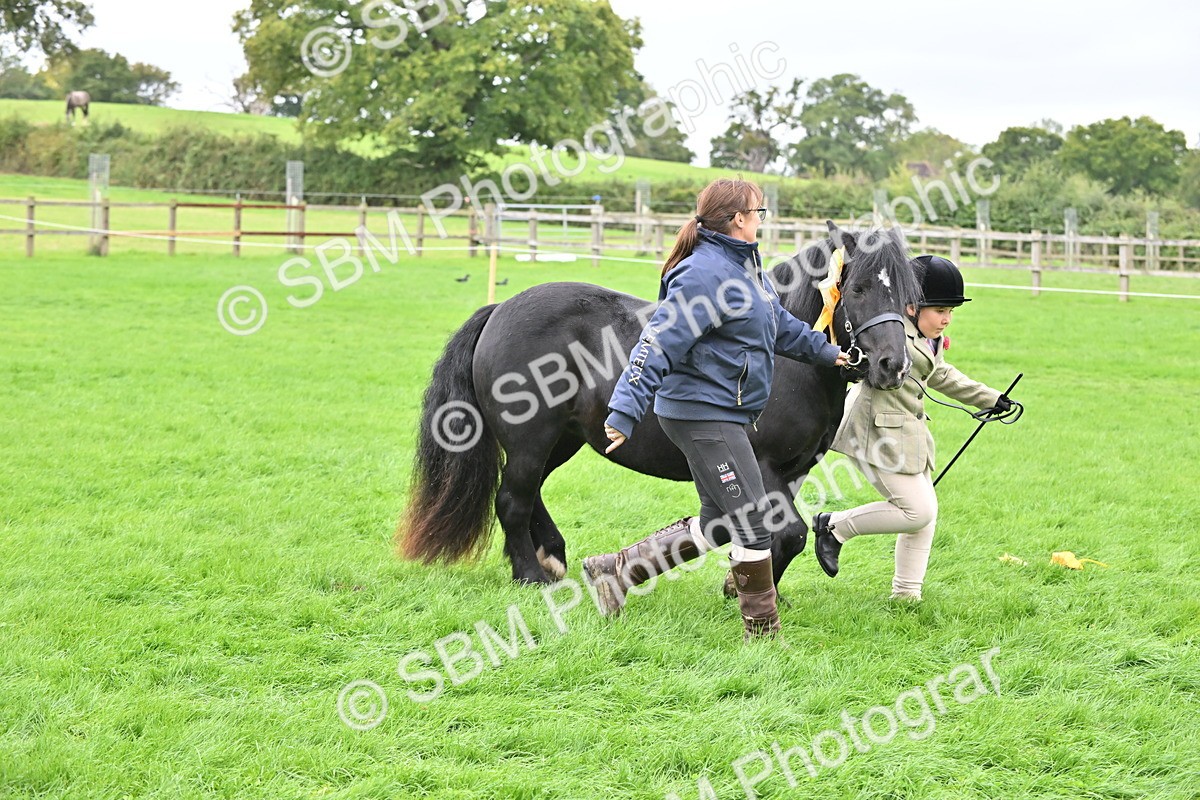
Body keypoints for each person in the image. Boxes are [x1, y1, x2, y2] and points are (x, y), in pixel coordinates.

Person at [582, 178, 851, 641]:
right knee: (754, 520)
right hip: (700, 413)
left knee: (720, 522)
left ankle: (616, 571)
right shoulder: (703, 274)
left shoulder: (745, 267)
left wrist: (829, 354)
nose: (762, 219)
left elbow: (779, 326)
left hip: (724, 411)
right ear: (737, 219)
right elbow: (657, 342)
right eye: (758, 211)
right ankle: (762, 634)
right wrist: (624, 410)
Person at [812, 255, 1013, 601]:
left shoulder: (925, 336)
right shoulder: (892, 334)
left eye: (951, 312)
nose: (947, 320)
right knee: (916, 511)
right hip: (873, 431)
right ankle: (834, 526)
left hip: (907, 434)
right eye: (940, 311)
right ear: (910, 306)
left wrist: (989, 398)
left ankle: (906, 595)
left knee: (926, 515)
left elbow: (941, 374)